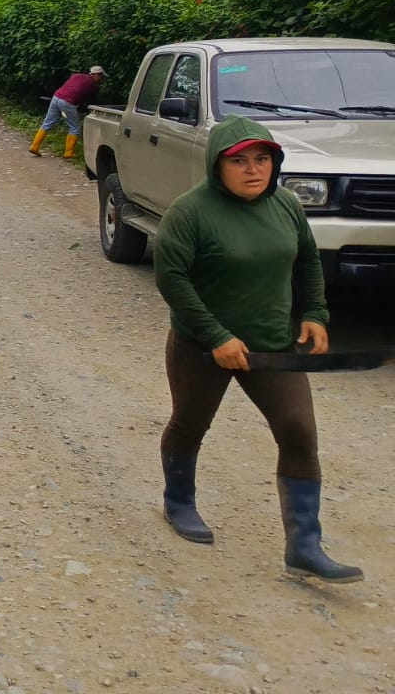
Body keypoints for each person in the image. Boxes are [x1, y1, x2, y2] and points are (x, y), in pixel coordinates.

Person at [153, 115, 360, 583]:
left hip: (272, 346)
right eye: (240, 161)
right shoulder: (191, 212)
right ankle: (179, 502)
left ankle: (304, 547)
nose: (253, 170)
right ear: (217, 165)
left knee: (298, 431)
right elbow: (173, 280)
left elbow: (307, 261)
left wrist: (315, 312)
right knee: (190, 423)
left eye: (262, 159)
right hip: (201, 346)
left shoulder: (285, 205)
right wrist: (216, 336)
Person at [28, 65, 104, 159]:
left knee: (47, 123)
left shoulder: (77, 75)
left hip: (56, 97)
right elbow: (89, 99)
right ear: (96, 74)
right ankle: (69, 153)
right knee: (75, 128)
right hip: (67, 102)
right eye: (101, 76)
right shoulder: (92, 85)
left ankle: (34, 146)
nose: (101, 79)